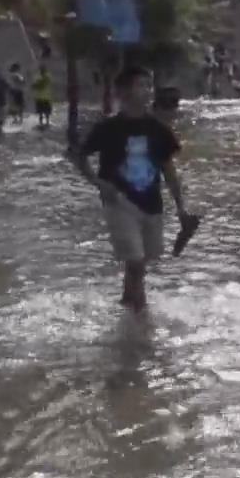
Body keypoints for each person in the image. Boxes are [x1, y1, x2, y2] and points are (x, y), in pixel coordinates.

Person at [76, 66, 189, 311]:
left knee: (142, 262)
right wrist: (98, 183)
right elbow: (77, 155)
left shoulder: (158, 129)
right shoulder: (108, 128)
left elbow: (169, 170)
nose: (147, 90)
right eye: (141, 85)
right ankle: (141, 316)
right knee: (136, 260)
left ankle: (128, 307)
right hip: (119, 201)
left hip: (152, 203)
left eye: (149, 85)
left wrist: (181, 207)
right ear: (124, 91)